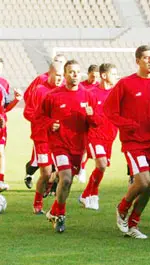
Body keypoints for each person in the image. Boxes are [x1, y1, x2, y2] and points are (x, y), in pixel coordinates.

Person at [104, 45, 150, 239]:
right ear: (137, 61)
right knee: (143, 180)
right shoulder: (126, 84)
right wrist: (127, 124)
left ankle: (133, 224)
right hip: (133, 141)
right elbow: (109, 110)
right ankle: (122, 208)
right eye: (146, 58)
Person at [40, 60, 99, 233]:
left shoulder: (88, 95)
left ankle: (54, 210)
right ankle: (61, 216)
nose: (75, 75)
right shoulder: (53, 96)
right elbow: (40, 117)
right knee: (65, 178)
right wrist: (51, 123)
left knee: (68, 182)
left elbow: (97, 122)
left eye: (77, 72)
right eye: (71, 72)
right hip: (59, 145)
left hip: (78, 147)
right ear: (65, 74)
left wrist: (91, 117)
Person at [24, 62, 65, 214]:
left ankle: (56, 205)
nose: (60, 79)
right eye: (58, 75)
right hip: (42, 138)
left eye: (62, 76)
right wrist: (48, 124)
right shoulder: (40, 90)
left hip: (60, 139)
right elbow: (28, 112)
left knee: (63, 171)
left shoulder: (64, 91)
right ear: (50, 73)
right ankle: (37, 204)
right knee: (46, 173)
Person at [79, 63, 118, 210]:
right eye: (113, 74)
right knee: (101, 164)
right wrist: (89, 115)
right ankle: (93, 195)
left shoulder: (116, 93)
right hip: (94, 135)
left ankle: (85, 195)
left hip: (110, 137)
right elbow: (86, 116)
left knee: (101, 168)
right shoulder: (91, 93)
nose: (116, 77)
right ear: (104, 75)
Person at [0, 58, 23, 192]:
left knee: (1, 152)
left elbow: (5, 107)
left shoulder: (4, 83)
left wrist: (16, 100)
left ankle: (1, 181)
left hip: (1, 124)